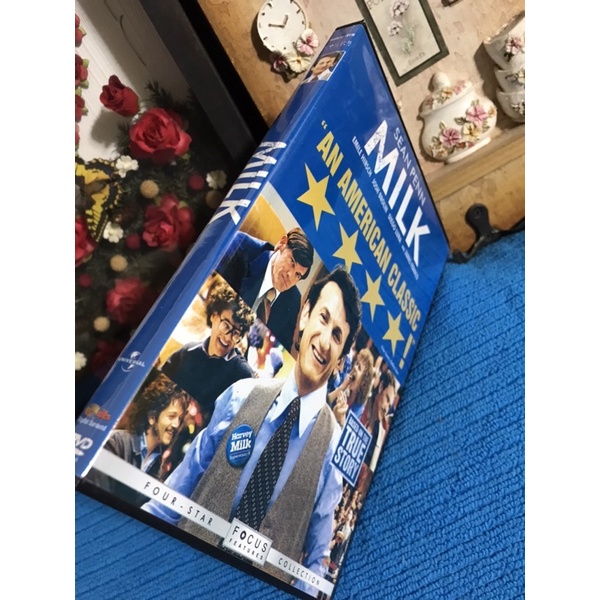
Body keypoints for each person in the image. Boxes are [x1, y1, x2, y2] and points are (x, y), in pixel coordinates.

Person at [143, 266, 362, 595]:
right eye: (323, 318)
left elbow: (316, 562)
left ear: (341, 357)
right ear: (305, 315)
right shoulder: (240, 395)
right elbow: (175, 494)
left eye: (337, 335)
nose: (325, 341)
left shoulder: (332, 451)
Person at [85, 370, 191, 507]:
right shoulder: (115, 442)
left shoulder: (156, 465)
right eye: (171, 416)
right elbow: (94, 495)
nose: (176, 424)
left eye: (180, 419)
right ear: (152, 417)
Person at [161, 278, 255, 428]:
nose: (228, 337)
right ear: (214, 316)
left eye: (236, 333)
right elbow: (161, 388)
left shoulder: (243, 376)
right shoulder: (187, 352)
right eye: (226, 326)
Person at [216, 227, 314, 352]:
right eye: (292, 262)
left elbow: (278, 348)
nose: (290, 275)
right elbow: (210, 292)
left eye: (298, 275)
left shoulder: (293, 301)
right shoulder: (240, 246)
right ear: (282, 244)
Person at [327, 348, 375, 427]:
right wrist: (341, 387)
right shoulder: (343, 381)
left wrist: (342, 419)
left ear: (363, 382)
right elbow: (326, 400)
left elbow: (346, 430)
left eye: (359, 368)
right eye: (356, 363)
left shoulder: (359, 409)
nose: (355, 367)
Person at [361, 368, 396, 471]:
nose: (386, 409)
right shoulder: (362, 404)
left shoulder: (381, 435)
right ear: (380, 387)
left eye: (389, 406)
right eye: (387, 399)